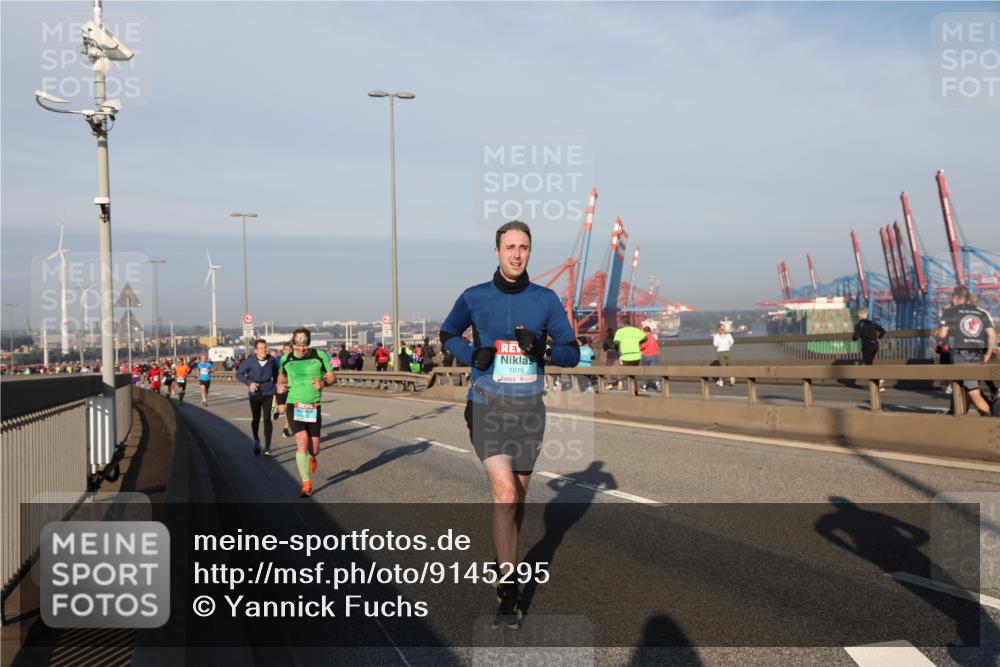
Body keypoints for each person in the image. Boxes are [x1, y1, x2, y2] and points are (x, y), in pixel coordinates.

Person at [439, 220, 580, 629]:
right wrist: (470, 354)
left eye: (523, 247)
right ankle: (509, 587)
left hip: (528, 410)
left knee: (517, 497)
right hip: (486, 405)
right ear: (496, 251)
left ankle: (506, 559)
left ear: (529, 252)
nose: (516, 254)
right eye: (509, 247)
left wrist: (545, 349)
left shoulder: (546, 300)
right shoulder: (474, 297)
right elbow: (447, 333)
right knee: (504, 494)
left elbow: (573, 351)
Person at [278, 328, 335, 497]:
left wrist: (323, 382)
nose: (301, 349)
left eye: (304, 345)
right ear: (293, 344)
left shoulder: (319, 356)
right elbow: (281, 379)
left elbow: (332, 376)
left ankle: (312, 456)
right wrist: (280, 390)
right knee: (302, 441)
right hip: (294, 405)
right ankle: (306, 483)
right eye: (298, 345)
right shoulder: (286, 359)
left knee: (314, 448)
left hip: (313, 407)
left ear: (308, 344)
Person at [935, 285, 996, 416]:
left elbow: (942, 335)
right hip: (978, 356)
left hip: (960, 357)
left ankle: (993, 424)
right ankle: (958, 419)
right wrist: (988, 353)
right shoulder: (981, 312)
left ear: (955, 297)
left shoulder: (950, 312)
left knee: (973, 393)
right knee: (966, 390)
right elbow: (992, 334)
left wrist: (937, 335)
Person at [236, 338, 279, 456]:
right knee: (256, 418)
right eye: (261, 348)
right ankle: (256, 439)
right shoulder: (249, 361)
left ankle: (267, 447)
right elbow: (239, 374)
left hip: (268, 391)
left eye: (265, 347)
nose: (264, 350)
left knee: (267, 419)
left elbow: (276, 376)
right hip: (255, 393)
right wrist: (249, 383)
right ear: (256, 350)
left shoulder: (272, 360)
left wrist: (277, 390)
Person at [852, 308, 886, 391]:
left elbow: (856, 337)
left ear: (858, 316)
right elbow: (883, 331)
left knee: (868, 367)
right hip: (875, 346)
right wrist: (878, 338)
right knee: (869, 364)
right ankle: (875, 385)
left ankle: (878, 381)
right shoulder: (872, 323)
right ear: (866, 315)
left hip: (867, 347)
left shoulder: (859, 324)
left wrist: (854, 338)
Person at [273, 342, 294, 438]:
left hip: (292, 387)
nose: (288, 351)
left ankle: (285, 429)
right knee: (282, 410)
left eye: (290, 349)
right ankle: (277, 411)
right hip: (282, 386)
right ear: (283, 350)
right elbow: (280, 373)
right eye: (286, 349)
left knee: (289, 409)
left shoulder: (296, 359)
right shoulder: (282, 359)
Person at [639, 325, 661, 391]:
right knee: (655, 370)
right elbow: (657, 347)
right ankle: (657, 383)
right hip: (654, 356)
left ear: (645, 331)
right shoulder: (653, 338)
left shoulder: (645, 338)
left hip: (646, 356)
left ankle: (644, 386)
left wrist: (639, 346)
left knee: (644, 371)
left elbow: (642, 347)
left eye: (643, 332)